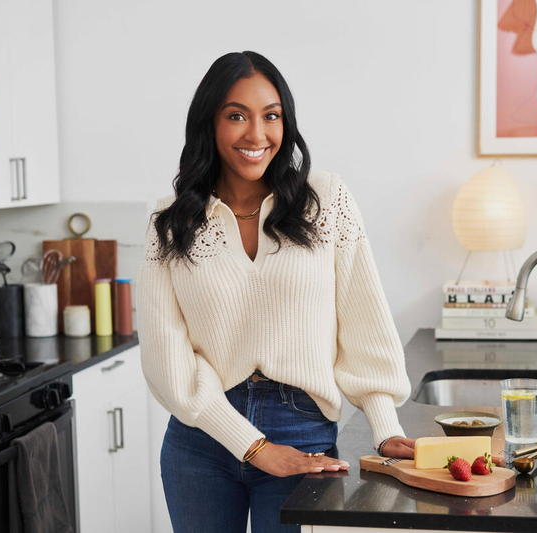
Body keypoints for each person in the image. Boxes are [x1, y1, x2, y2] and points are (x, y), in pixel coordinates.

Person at [137, 51, 413, 533]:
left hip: (303, 433)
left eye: (271, 116)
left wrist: (384, 427)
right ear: (209, 123)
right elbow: (166, 359)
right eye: (236, 116)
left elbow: (364, 319)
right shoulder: (170, 222)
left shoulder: (326, 201)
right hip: (201, 439)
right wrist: (254, 446)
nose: (256, 135)